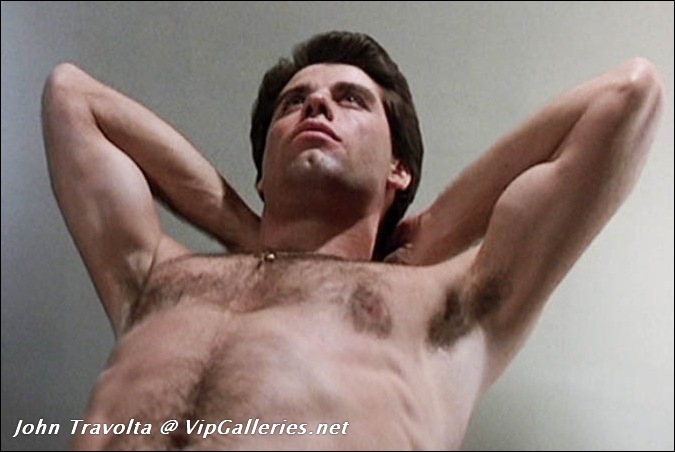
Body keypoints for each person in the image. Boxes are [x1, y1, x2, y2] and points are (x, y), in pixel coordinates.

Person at [42, 31, 664, 450]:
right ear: (262, 175)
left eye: (351, 100)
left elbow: (629, 97)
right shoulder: (160, 275)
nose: (316, 105)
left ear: (400, 170)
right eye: (294, 102)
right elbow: (71, 97)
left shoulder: (448, 301)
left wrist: (427, 236)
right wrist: (247, 232)